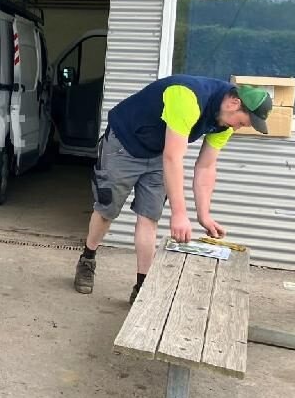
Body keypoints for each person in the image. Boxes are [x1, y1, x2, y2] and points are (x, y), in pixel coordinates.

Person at [73, 75, 272, 303]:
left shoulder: (225, 123)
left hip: (159, 152)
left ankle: (142, 286)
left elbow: (206, 166)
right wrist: (179, 214)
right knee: (107, 211)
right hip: (125, 144)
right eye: (242, 123)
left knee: (149, 216)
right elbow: (173, 157)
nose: (237, 128)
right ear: (234, 103)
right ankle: (88, 258)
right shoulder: (187, 96)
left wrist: (203, 215)